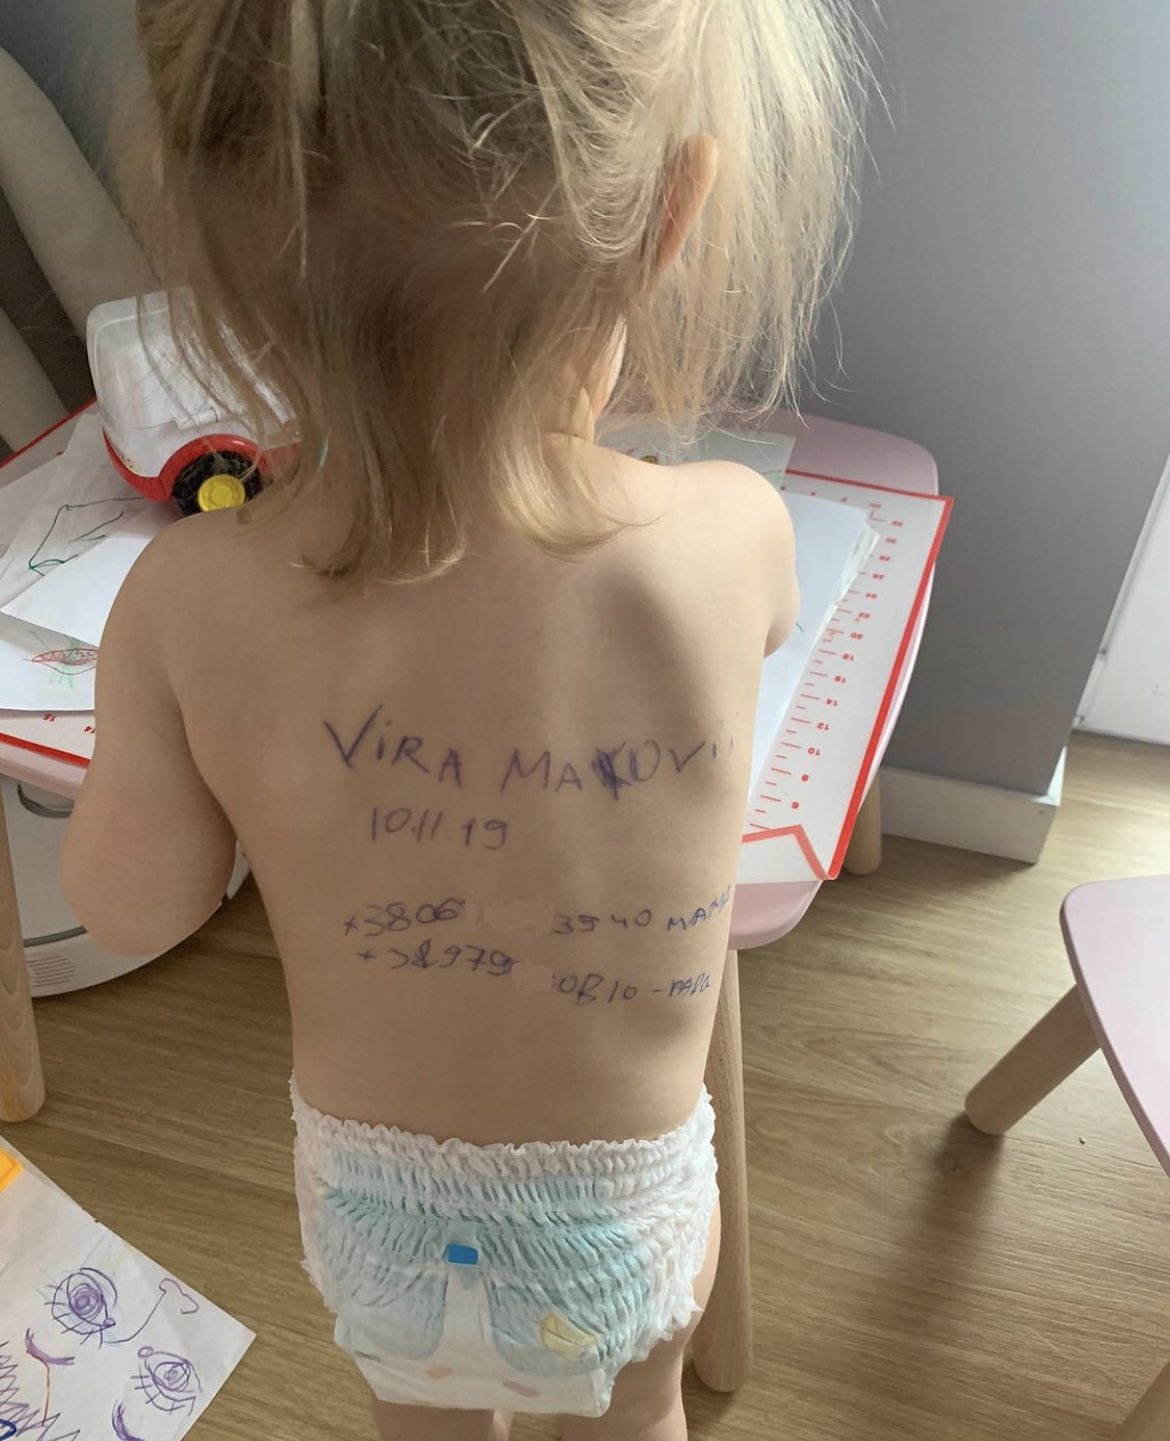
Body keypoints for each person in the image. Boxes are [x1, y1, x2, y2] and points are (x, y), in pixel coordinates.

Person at [63, 2, 861, 1436]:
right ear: (669, 214)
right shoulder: (732, 536)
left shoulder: (188, 599)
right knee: (637, 1417)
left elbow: (130, 906)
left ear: (219, 268)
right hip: (628, 1210)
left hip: (382, 1218)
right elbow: (760, 644)